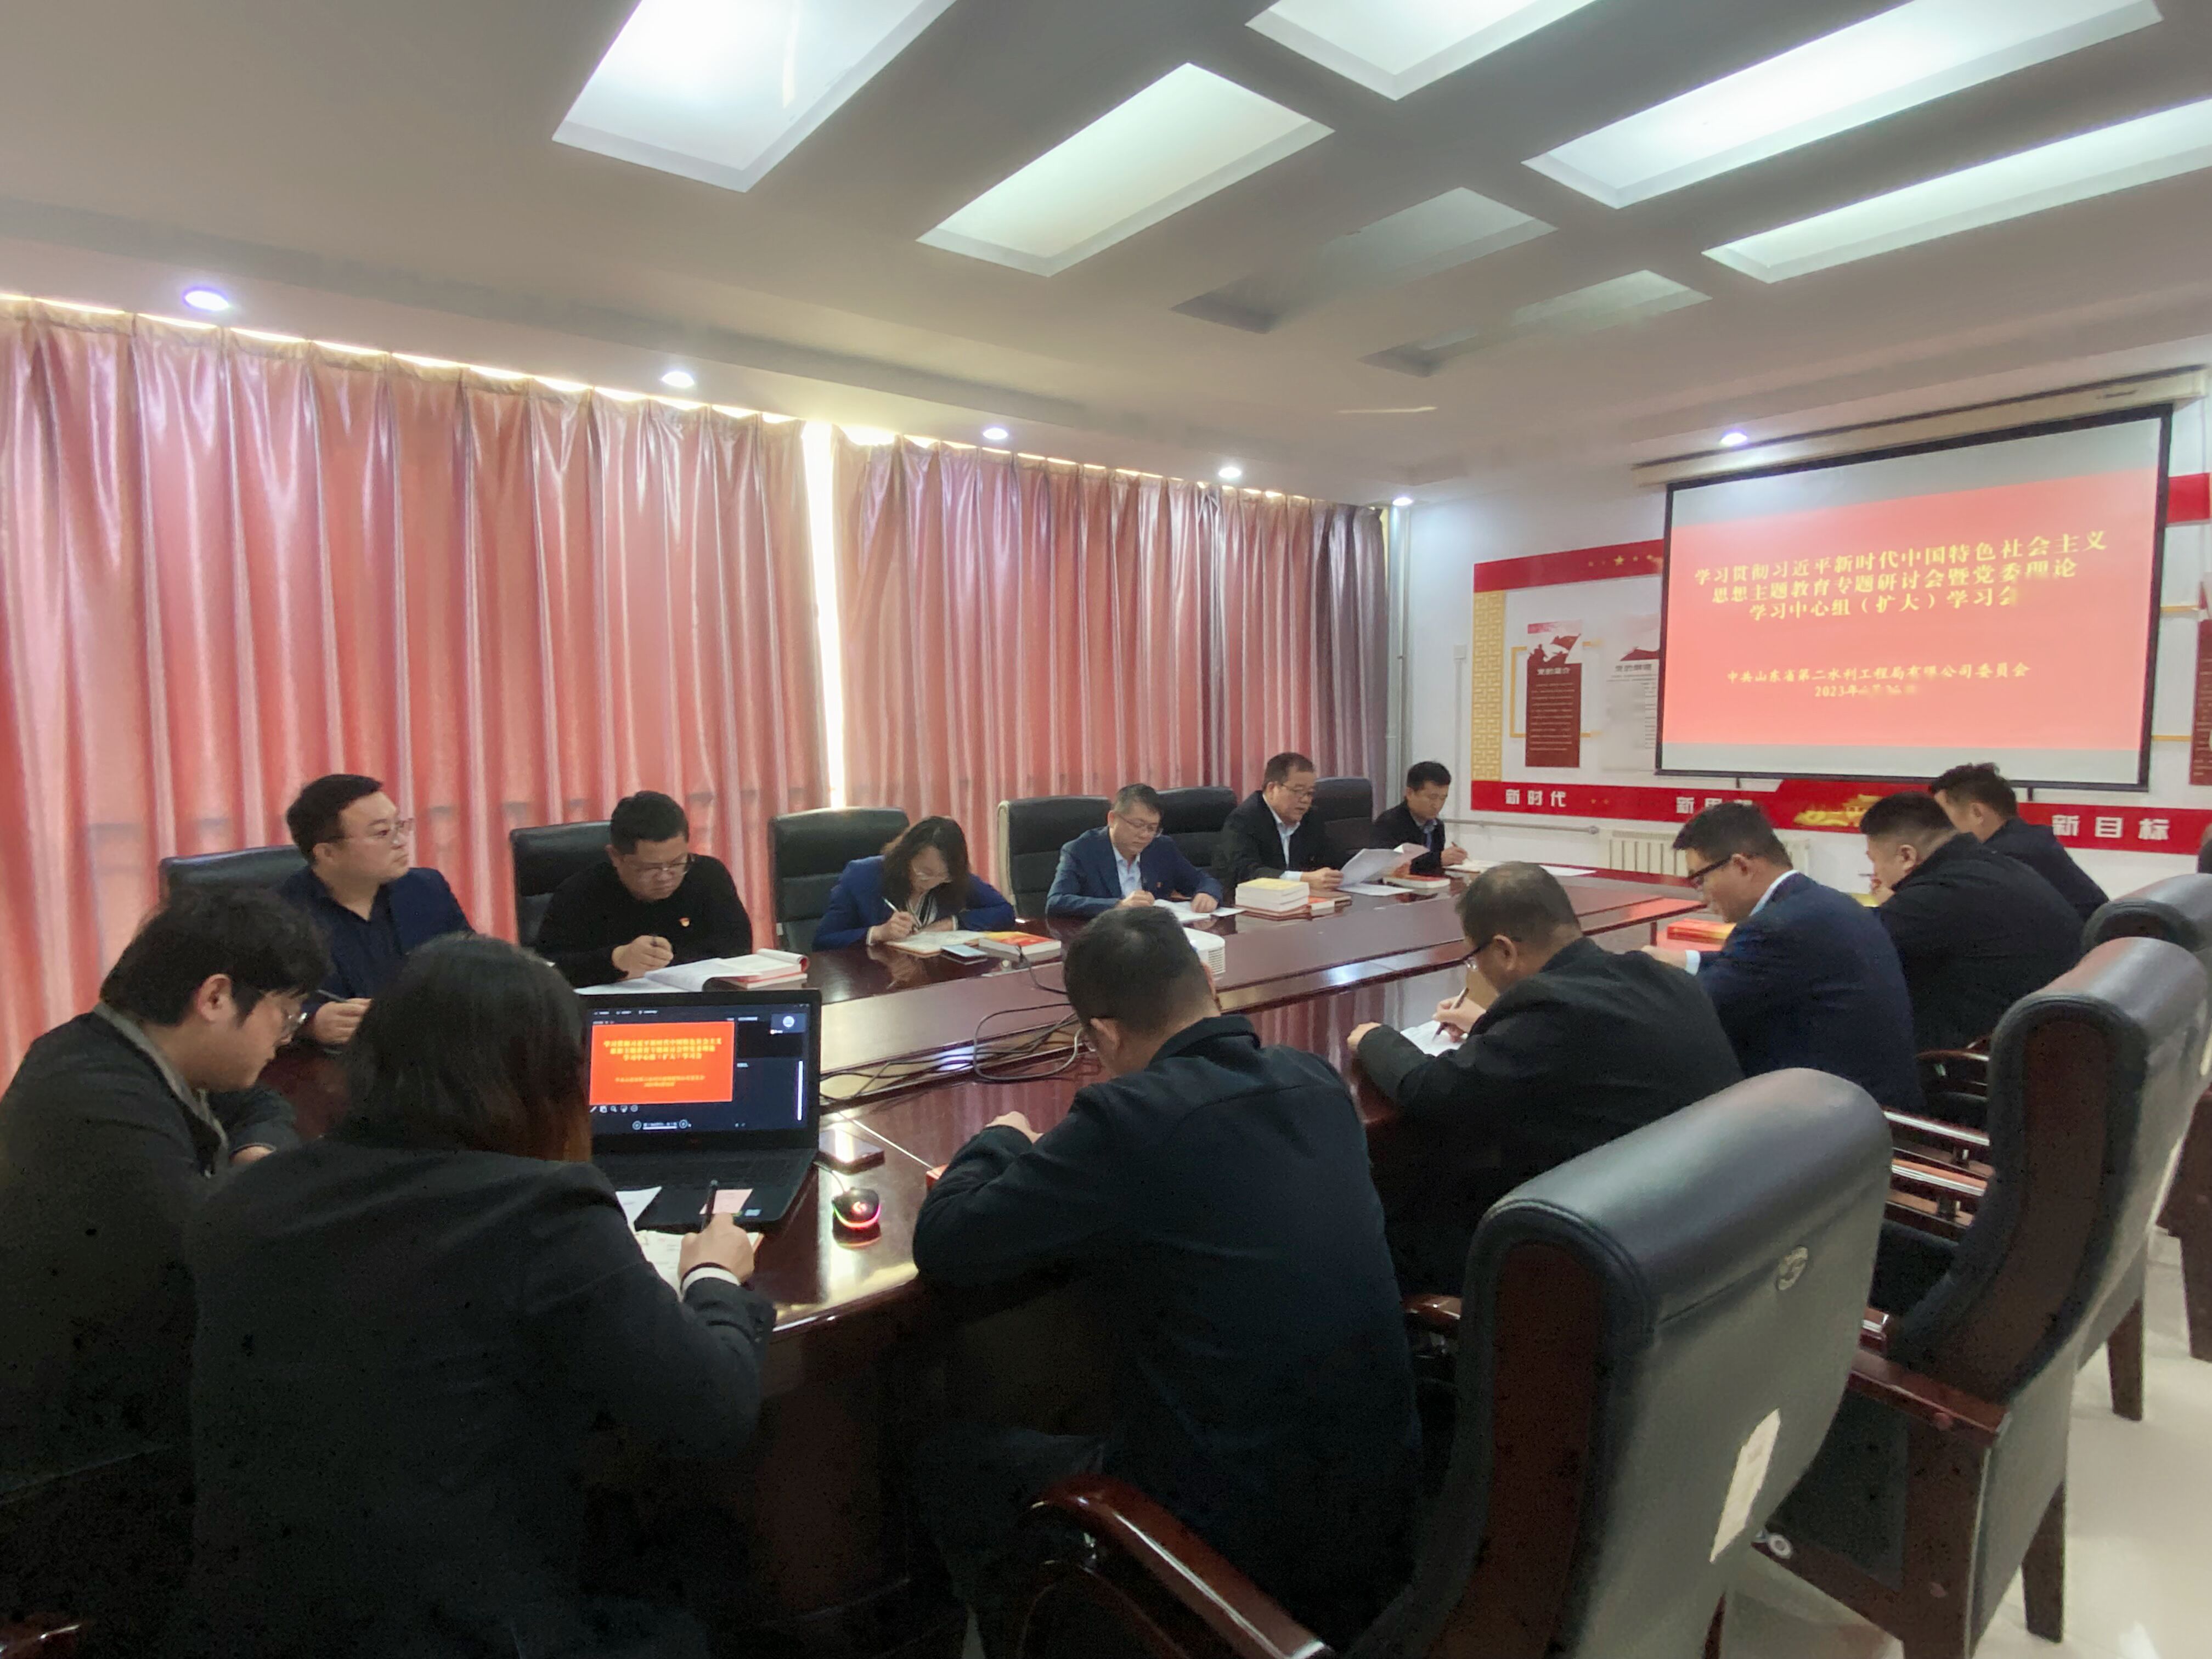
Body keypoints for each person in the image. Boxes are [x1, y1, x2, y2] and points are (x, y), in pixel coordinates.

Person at [176, 936, 774, 1658]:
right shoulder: (543, 1210)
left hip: (257, 1626)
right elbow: (713, 1412)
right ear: (546, 1075)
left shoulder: (238, 1203)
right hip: (465, 1630)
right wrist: (712, 1276)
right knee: (715, 1562)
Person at [911, 908, 1418, 1654]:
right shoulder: (1313, 1080)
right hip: (1382, 1509)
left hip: (1231, 1538)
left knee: (949, 1463)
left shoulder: (1128, 1117)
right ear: (1209, 982)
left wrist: (997, 1139)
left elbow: (948, 1242)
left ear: (1105, 1034)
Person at [0, 888, 326, 1652]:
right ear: (215, 998)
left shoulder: (112, 1051)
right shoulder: (93, 1101)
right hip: (76, 1471)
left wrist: (256, 1155)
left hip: (121, 1402)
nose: (283, 1042)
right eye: (283, 1018)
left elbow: (258, 1108)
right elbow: (221, 1261)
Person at [1349, 864, 1741, 1296]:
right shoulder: (1664, 978)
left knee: (1384, 1229)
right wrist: (1498, 1029)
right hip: (1700, 1223)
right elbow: (1588, 1046)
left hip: (1596, 1249)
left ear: (1504, 950)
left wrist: (1374, 1038)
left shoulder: (1549, 1012)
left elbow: (1432, 1091)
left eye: (1474, 958)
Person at [1646, 803, 1920, 1111]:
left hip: (1837, 1114)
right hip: (1873, 1094)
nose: (1702, 896)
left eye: (1700, 880)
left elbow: (1697, 1008)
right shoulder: (1819, 901)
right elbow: (1752, 965)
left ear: (1741, 866)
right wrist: (1685, 961)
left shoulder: (1776, 927)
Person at [1861, 791, 2084, 1053]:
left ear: (1906, 856)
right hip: (2047, 1040)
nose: (1876, 873)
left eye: (1875, 861)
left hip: (1977, 1055)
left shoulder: (1937, 896)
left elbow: (1854, 946)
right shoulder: (1994, 865)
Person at [277, 774, 471, 1046]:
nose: (400, 841)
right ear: (327, 853)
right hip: (347, 1058)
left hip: (436, 1046)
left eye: (399, 825)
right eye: (382, 833)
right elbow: (255, 1006)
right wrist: (308, 1023)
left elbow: (473, 965)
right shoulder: (281, 917)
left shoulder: (427, 889)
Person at [535, 790, 754, 986]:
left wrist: (671, 962)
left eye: (677, 863)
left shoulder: (708, 875)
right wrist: (616, 960)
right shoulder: (579, 893)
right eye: (650, 868)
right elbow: (548, 970)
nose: (665, 877)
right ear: (616, 857)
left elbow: (737, 947)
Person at [1931, 762, 2108, 923]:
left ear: (1977, 813)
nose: (1935, 826)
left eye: (1942, 816)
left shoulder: (2004, 858)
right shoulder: (2027, 840)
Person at [814, 816, 1017, 950]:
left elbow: (1004, 911)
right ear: (906, 856)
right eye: (924, 873)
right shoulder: (862, 876)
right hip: (877, 984)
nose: (930, 883)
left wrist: (952, 923)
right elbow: (823, 941)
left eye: (943, 876)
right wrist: (878, 933)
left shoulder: (952, 879)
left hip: (937, 979)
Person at [1045, 783, 1223, 918]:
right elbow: (1056, 902)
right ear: (1112, 819)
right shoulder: (1081, 850)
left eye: (1152, 828)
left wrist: (1208, 893)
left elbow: (1203, 880)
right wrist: (1118, 905)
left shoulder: (1161, 848)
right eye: (1138, 825)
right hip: (1104, 940)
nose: (1145, 835)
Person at [1214, 751, 1346, 890]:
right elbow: (1246, 873)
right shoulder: (1243, 820)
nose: (1306, 800)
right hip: (1249, 900)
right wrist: (1303, 879)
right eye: (1298, 791)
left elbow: (1335, 860)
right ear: (1272, 789)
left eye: (1310, 793)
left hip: (1299, 899)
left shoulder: (1310, 818)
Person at [1369, 761, 1469, 878]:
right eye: (1432, 797)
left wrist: (1450, 859)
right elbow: (1386, 866)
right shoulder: (1389, 822)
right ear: (1410, 793)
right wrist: (1438, 859)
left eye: (1443, 798)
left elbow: (1433, 869)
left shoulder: (1437, 826)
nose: (1437, 805)